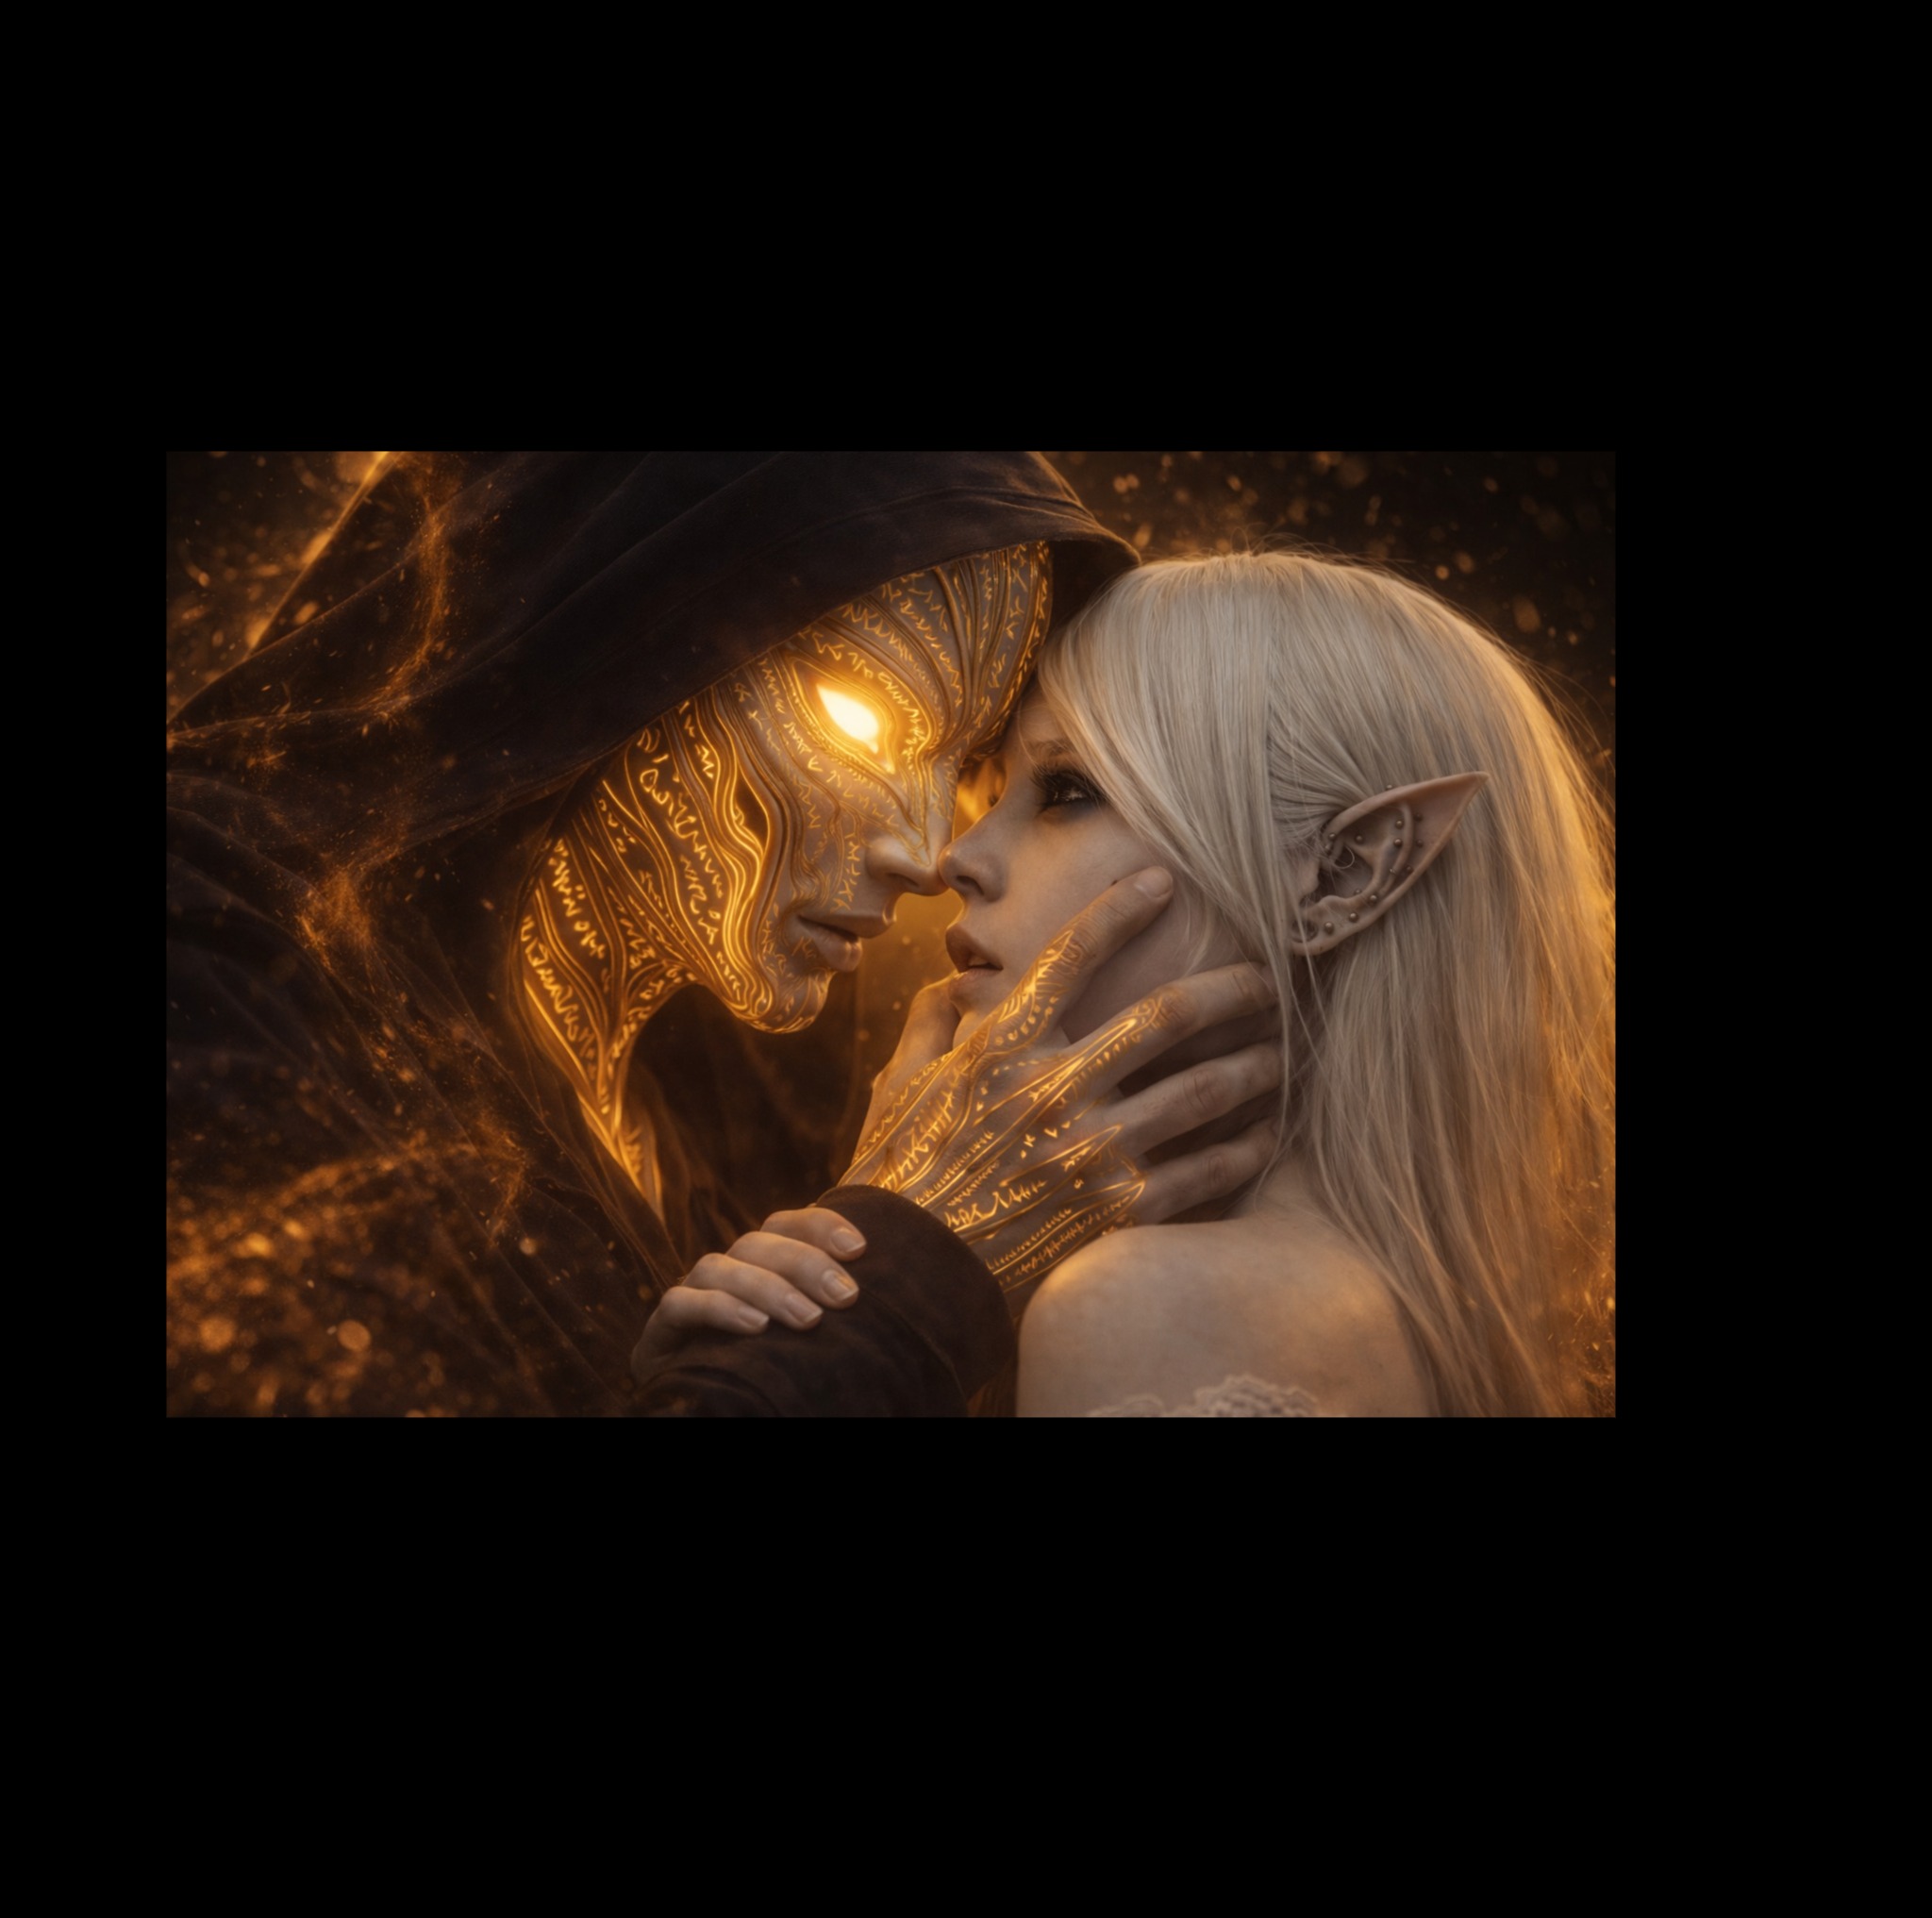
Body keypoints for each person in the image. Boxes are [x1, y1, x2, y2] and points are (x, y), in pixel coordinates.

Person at [166, 454, 1276, 1416]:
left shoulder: (728, 1113)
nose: (930, 849)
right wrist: (914, 1268)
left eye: (968, 772)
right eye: (861, 715)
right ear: (631, 625)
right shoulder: (214, 969)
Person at [674, 549, 1615, 1416]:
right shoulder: (1415, 1306)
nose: (956, 857)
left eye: (1067, 791)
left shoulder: (1144, 1307)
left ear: (1341, 874)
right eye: (990, 793)